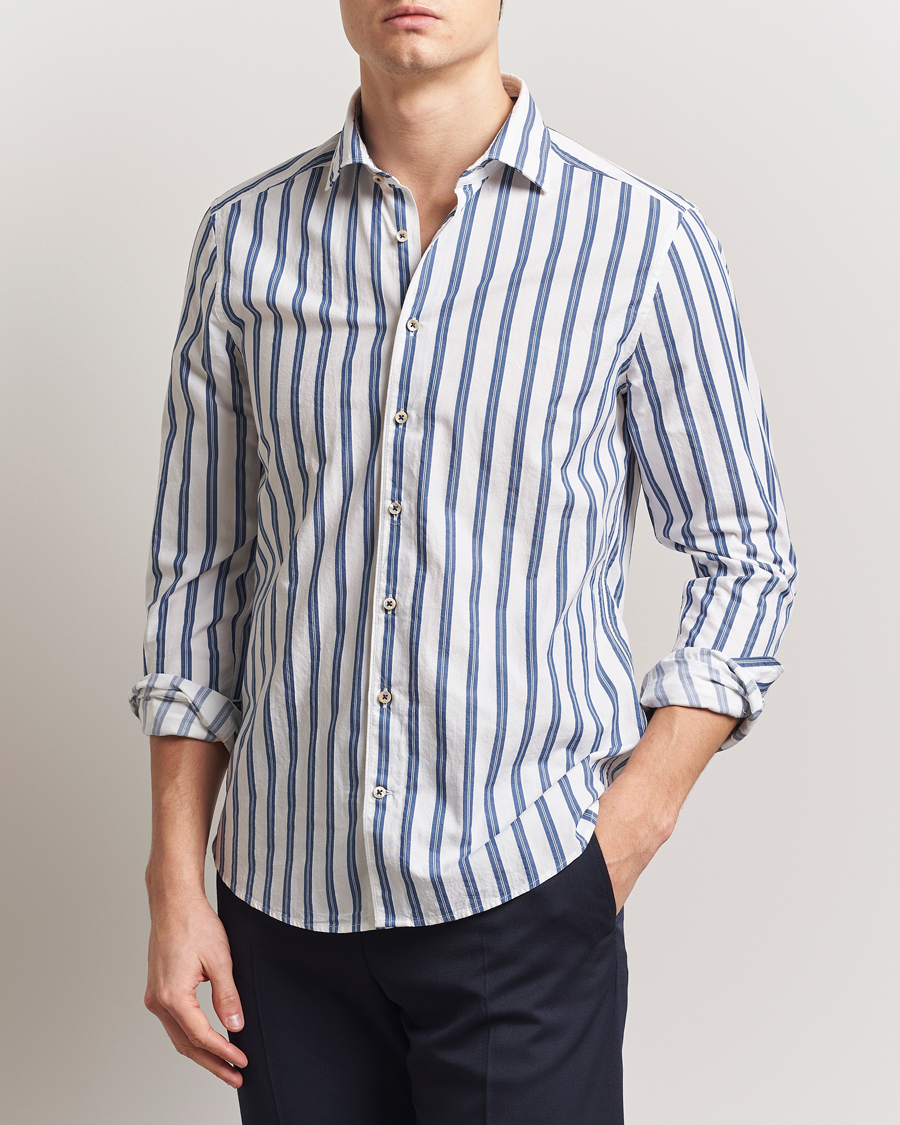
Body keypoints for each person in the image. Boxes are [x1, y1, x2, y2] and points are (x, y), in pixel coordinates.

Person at [130, 1, 797, 1122]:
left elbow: (746, 557)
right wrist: (174, 880)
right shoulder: (243, 241)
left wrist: (630, 826)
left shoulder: (641, 243)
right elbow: (197, 575)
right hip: (280, 914)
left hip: (524, 894)